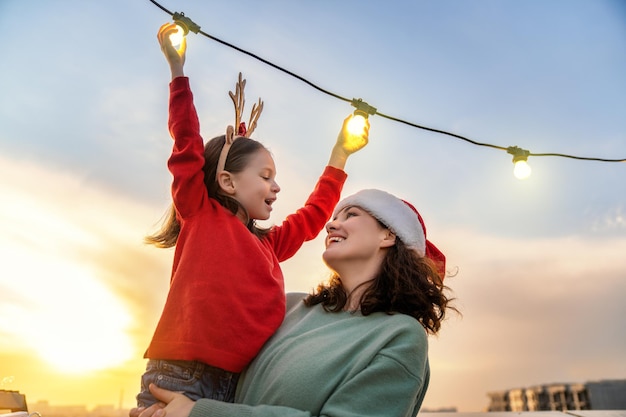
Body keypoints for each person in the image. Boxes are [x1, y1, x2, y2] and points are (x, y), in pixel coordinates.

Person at [136, 23, 369, 407]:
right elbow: (186, 143)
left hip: (239, 385)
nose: (276, 187)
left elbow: (313, 216)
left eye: (275, 177)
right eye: (265, 176)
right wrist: (178, 71)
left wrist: (341, 153)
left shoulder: (268, 243)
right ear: (226, 181)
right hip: (180, 375)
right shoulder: (200, 212)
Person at [132, 188, 456, 417]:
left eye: (351, 214)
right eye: (333, 216)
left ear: (389, 236)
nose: (331, 224)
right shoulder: (290, 308)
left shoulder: (399, 336)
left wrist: (199, 413)